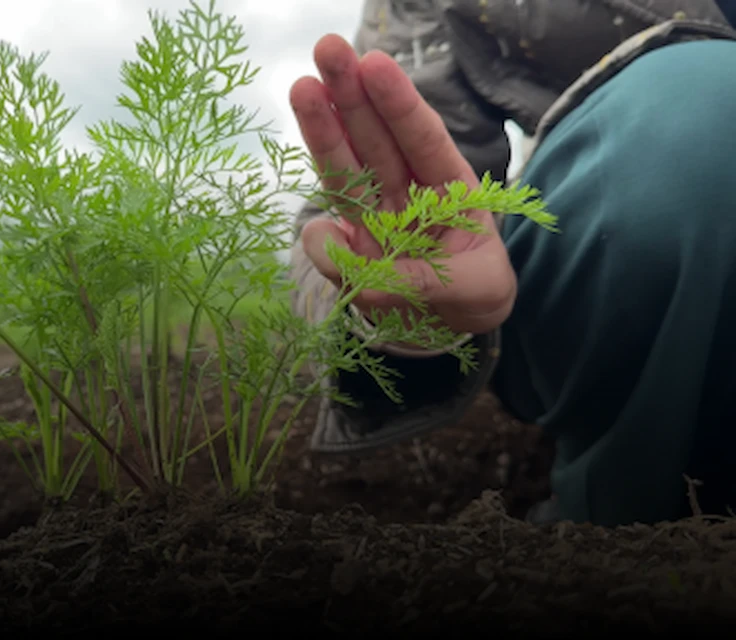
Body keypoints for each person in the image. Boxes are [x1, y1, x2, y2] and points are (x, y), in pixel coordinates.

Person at [287, 0, 736, 527]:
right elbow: (379, 189)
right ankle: (642, 524)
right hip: (621, 263)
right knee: (697, 120)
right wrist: (401, 311)